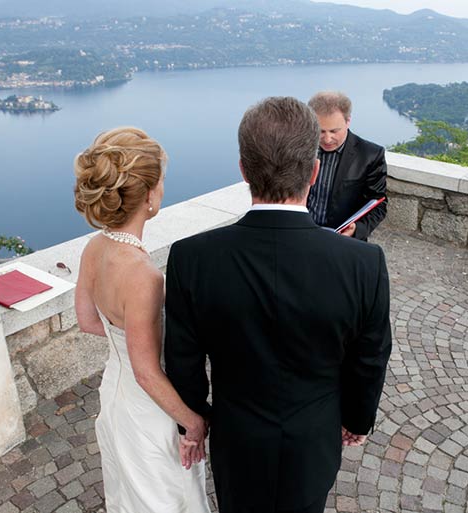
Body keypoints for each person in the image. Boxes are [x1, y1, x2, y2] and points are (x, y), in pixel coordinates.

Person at [165, 97, 392, 513]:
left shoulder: (191, 258)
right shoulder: (363, 264)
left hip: (238, 436)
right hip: (315, 435)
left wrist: (192, 421)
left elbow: (183, 357)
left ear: (243, 171)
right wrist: (358, 420)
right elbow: (370, 357)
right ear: (314, 170)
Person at [74, 127, 210, 513]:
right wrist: (193, 422)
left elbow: (86, 319)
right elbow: (147, 372)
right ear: (149, 196)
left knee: (126, 494)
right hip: (149, 413)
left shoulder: (94, 246)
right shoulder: (144, 276)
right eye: (162, 180)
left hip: (113, 400)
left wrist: (127, 339)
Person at [306, 91, 387, 240]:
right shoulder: (298, 147)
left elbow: (377, 205)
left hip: (342, 239)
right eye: (321, 131)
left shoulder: (370, 155)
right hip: (302, 233)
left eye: (334, 131)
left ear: (348, 121)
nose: (327, 139)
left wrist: (357, 229)